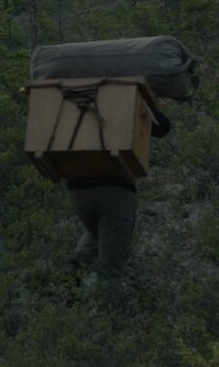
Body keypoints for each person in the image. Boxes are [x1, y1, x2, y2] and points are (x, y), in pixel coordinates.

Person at [65, 105, 171, 284]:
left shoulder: (73, 96)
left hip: (76, 187)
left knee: (97, 231)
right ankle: (108, 309)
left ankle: (72, 275)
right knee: (110, 267)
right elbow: (163, 127)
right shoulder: (123, 95)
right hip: (115, 187)